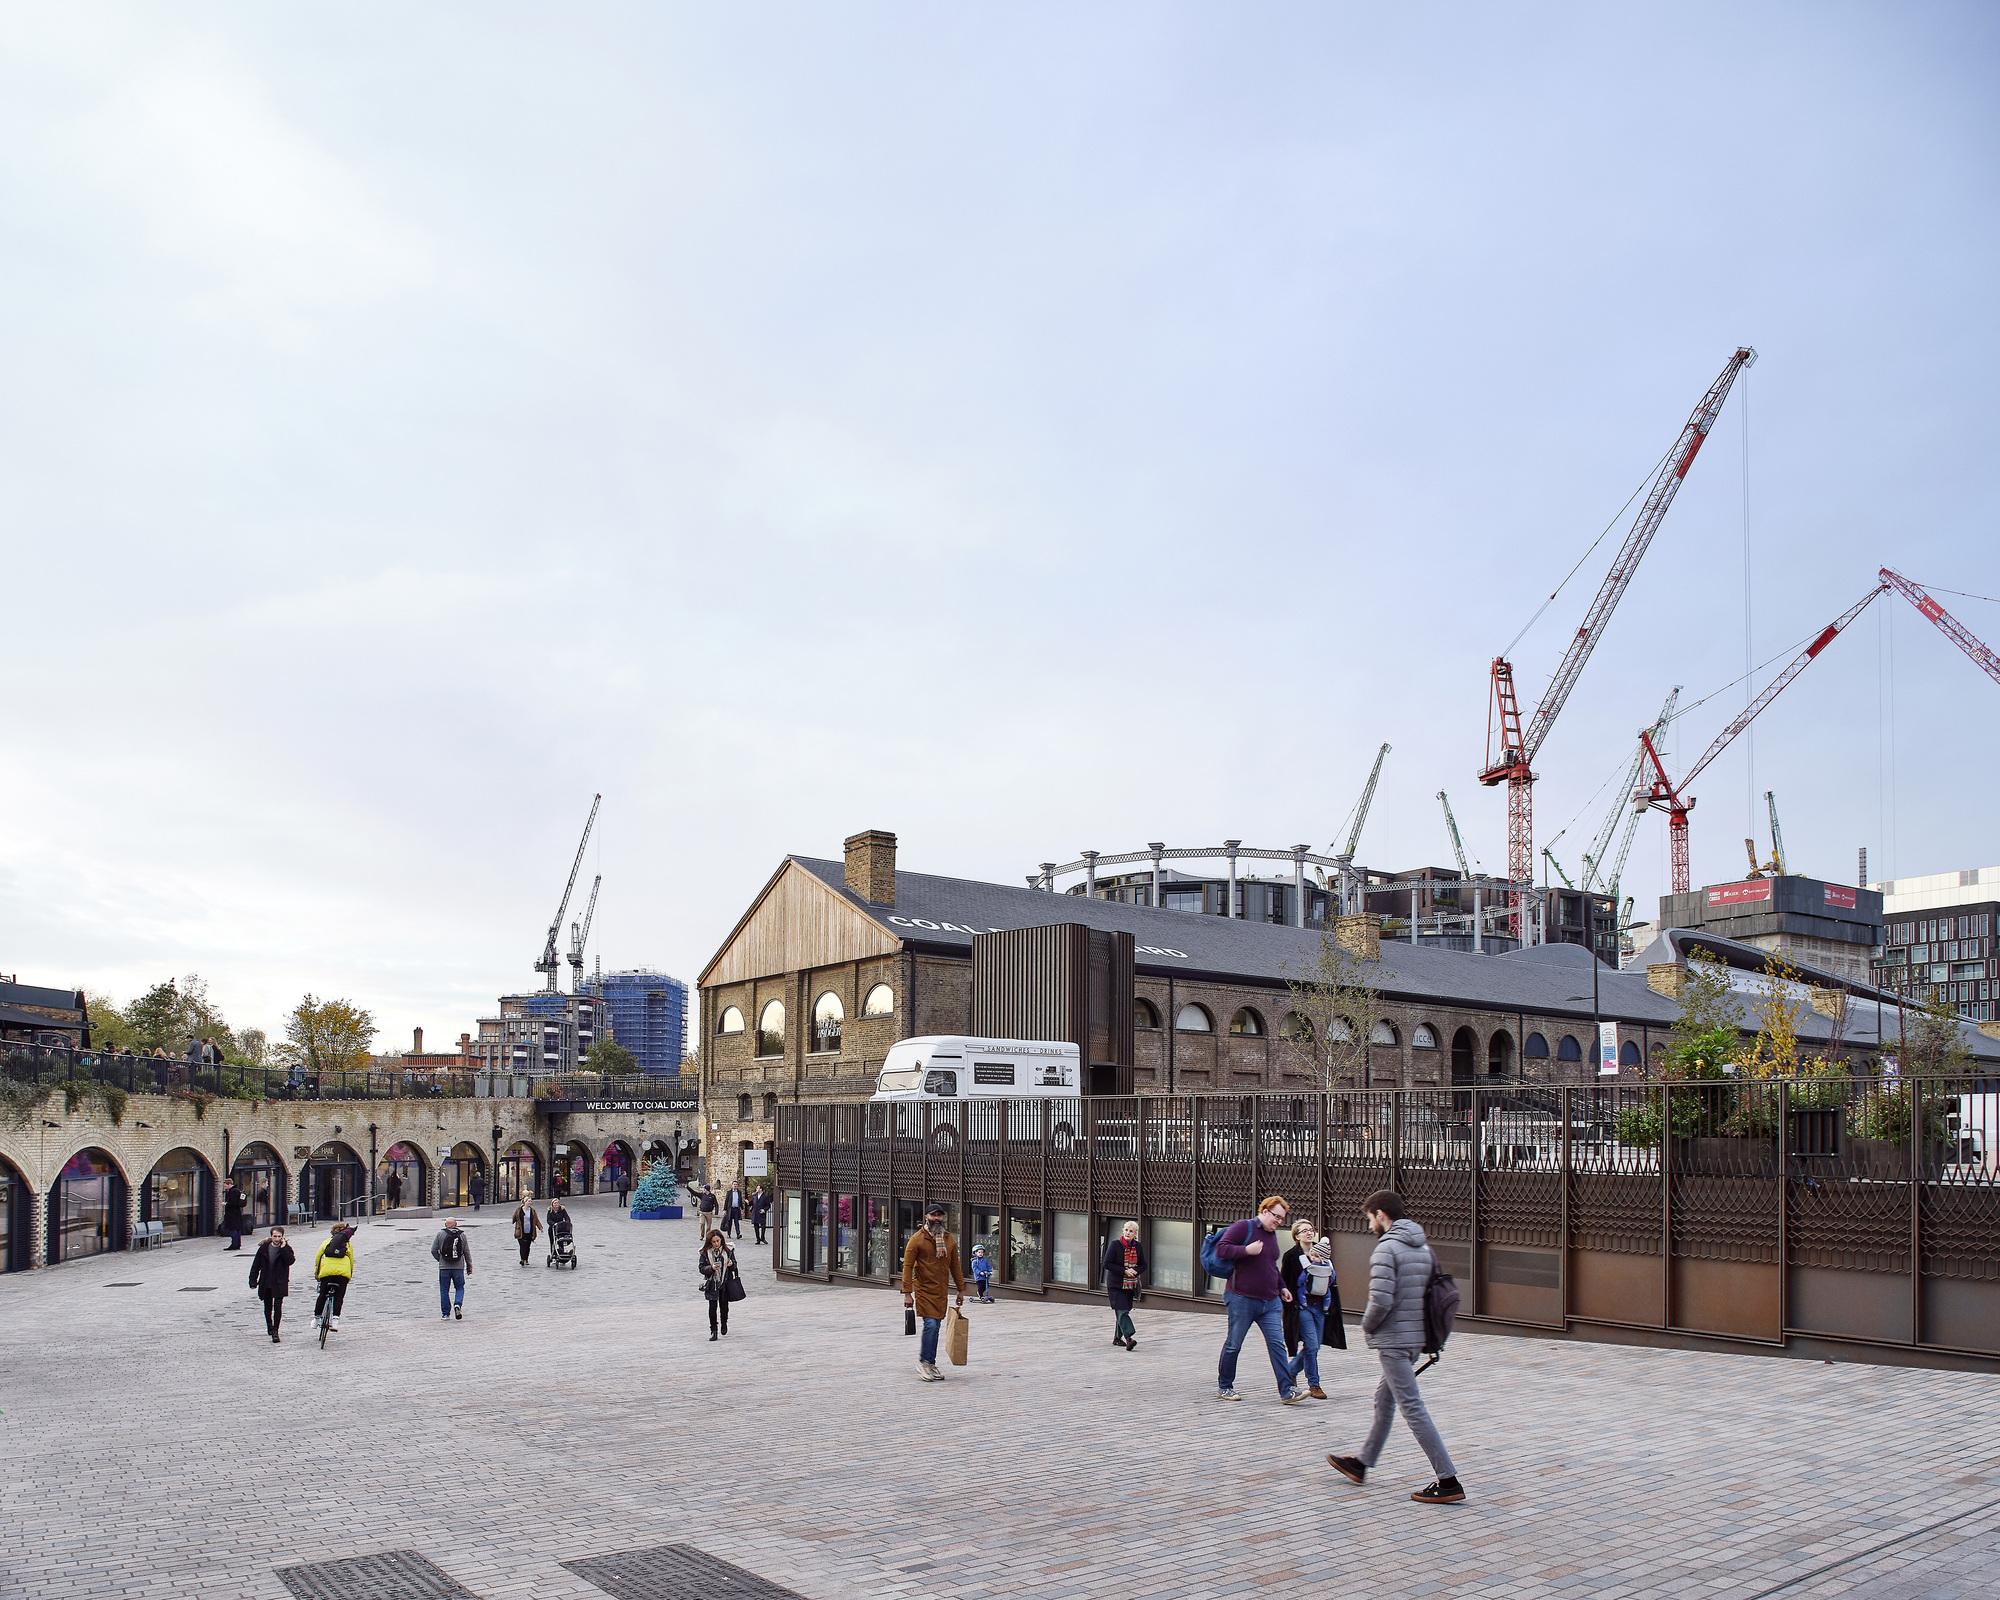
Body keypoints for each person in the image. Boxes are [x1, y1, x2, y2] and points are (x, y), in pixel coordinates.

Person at [1327, 1190, 1465, 1504]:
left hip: (1393, 1341)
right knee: (1383, 1398)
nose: (1369, 1225)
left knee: (1412, 1408)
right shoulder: (1424, 1248)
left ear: (1381, 1215)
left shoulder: (1386, 1249)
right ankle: (1361, 1463)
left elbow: (1381, 1300)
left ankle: (1448, 1480)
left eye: (1370, 1218)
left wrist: (1366, 1325)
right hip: (1415, 1339)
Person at [1215, 1195, 1303, 1404]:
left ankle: (1287, 1390)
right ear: (1264, 1211)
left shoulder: (1272, 1236)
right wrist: (1246, 1250)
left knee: (1277, 1345)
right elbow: (1222, 1248)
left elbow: (1271, 1265)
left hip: (1270, 1301)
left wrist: (1282, 1287)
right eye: (1276, 1217)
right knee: (1234, 1344)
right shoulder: (1243, 1227)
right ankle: (1225, 1386)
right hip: (1241, 1298)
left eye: (1282, 1219)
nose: (1278, 1222)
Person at [901, 1202, 964, 1381]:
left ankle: (931, 1363)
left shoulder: (949, 1239)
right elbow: (907, 1267)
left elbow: (955, 1266)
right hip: (923, 1289)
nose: (937, 1218)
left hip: (941, 1290)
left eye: (939, 1215)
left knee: (936, 1327)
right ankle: (924, 1362)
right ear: (926, 1217)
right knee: (931, 1325)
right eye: (933, 1215)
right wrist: (907, 1293)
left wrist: (961, 1289)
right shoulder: (917, 1240)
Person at [1286, 1224, 1341, 1400]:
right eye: (1304, 1230)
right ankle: (1314, 1384)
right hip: (1302, 1307)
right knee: (1311, 1345)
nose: (1309, 1233)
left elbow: (1331, 1280)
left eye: (1311, 1229)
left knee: (1314, 1346)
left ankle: (1291, 1370)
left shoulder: (1322, 1252)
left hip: (1320, 1308)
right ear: (1297, 1236)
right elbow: (1286, 1282)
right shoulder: (1292, 1256)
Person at [1101, 1221, 1147, 1349]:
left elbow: (1144, 1264)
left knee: (1123, 1311)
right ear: (1123, 1231)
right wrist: (1124, 1271)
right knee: (1122, 1311)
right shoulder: (1115, 1245)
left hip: (1130, 1285)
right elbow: (1107, 1263)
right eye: (1126, 1230)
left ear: (1135, 1233)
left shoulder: (1138, 1247)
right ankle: (1129, 1338)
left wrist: (1136, 1271)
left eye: (1131, 1231)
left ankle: (1117, 1338)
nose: (1128, 1233)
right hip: (1116, 1285)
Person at [248, 1226, 295, 1342]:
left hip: (280, 1281)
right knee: (267, 1306)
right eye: (275, 1236)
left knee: (278, 1306)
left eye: (279, 1236)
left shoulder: (286, 1248)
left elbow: (290, 1261)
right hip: (266, 1281)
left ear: (282, 1237)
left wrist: (283, 1248)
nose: (277, 1239)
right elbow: (256, 1265)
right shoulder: (264, 1249)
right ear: (271, 1236)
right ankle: (269, 1324)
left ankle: (276, 1330)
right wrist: (253, 1280)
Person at [311, 1223, 356, 1333]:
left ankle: (316, 1318)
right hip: (342, 1274)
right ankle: (335, 1320)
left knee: (322, 1295)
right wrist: (348, 1277)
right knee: (339, 1297)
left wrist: (318, 1275)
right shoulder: (348, 1245)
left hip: (327, 1273)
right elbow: (351, 1262)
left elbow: (318, 1259)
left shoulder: (326, 1242)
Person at [699, 1228, 739, 1340]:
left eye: (718, 1241)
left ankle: (724, 1322)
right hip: (712, 1283)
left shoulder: (728, 1251)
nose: (716, 1244)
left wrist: (731, 1264)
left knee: (724, 1306)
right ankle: (713, 1330)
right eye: (714, 1241)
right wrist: (711, 1268)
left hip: (725, 1282)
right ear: (710, 1242)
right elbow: (701, 1268)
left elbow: (735, 1266)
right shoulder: (705, 1253)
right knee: (712, 1307)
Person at [432, 1216, 473, 1320]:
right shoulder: (462, 1235)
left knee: (444, 1290)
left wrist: (440, 1259)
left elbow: (433, 1250)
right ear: (456, 1224)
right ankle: (457, 1305)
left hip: (444, 1267)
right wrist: (469, 1266)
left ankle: (445, 1314)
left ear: (446, 1225)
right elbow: (466, 1252)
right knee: (459, 1287)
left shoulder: (440, 1234)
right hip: (458, 1267)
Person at [221, 1173, 248, 1251]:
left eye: (225, 1186)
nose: (225, 1188)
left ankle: (235, 1244)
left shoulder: (233, 1191)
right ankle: (237, 1244)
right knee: (237, 1229)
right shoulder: (236, 1191)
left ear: (229, 1184)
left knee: (234, 1229)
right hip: (236, 1213)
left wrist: (225, 1204)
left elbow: (233, 1203)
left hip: (233, 1214)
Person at [512, 1196, 540, 1265]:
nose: (530, 1202)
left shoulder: (532, 1211)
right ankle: (522, 1259)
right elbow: (514, 1217)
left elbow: (536, 1220)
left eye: (530, 1201)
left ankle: (526, 1259)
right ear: (525, 1202)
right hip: (521, 1231)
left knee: (527, 1246)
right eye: (528, 1201)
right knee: (522, 1245)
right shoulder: (519, 1210)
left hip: (529, 1230)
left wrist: (540, 1227)